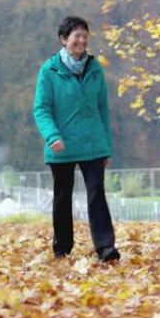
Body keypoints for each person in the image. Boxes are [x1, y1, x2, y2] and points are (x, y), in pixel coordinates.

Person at [33, 16, 120, 262]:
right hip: (61, 145)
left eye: (84, 35)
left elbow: (103, 109)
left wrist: (107, 149)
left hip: (93, 144)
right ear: (64, 40)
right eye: (76, 36)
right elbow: (41, 109)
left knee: (96, 194)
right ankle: (62, 248)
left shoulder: (95, 68)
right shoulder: (49, 70)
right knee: (63, 196)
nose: (81, 40)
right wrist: (52, 136)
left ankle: (106, 248)